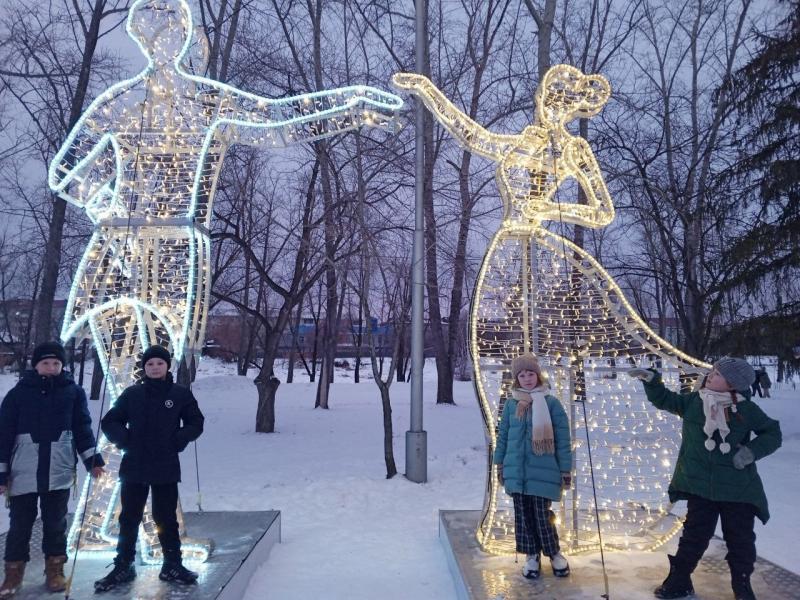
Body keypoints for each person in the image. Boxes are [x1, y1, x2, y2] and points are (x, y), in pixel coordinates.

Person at [629, 357, 782, 600]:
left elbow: (772, 432)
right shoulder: (694, 401)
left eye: (718, 374)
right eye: (713, 371)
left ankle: (742, 585)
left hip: (738, 490)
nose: (711, 375)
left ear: (733, 384)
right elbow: (666, 400)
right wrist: (652, 381)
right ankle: (679, 581)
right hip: (700, 487)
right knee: (694, 535)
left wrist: (750, 452)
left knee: (740, 539)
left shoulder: (746, 409)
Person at [94, 345, 204, 592]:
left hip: (165, 464)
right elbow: (110, 420)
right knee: (129, 517)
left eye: (159, 363)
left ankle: (172, 563)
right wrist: (125, 439)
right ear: (144, 368)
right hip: (134, 464)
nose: (155, 368)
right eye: (150, 364)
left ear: (167, 366)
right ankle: (123, 564)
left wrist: (179, 438)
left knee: (165, 517)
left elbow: (196, 422)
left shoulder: (180, 394)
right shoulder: (133, 394)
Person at [0, 342, 104, 597]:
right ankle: (13, 573)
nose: (51, 367)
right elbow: (3, 434)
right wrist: (1, 473)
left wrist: (92, 459)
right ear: (35, 366)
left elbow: (82, 427)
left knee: (55, 523)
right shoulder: (18, 394)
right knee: (20, 525)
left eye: (56, 363)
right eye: (46, 363)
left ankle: (55, 570)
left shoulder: (73, 392)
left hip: (58, 470)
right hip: (23, 471)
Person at [493, 354, 573, 580]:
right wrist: (499, 464)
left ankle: (554, 553)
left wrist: (565, 470)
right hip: (516, 471)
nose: (527, 378)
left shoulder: (550, 403)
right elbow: (504, 436)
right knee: (523, 516)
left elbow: (563, 439)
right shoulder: (511, 405)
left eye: (530, 374)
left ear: (537, 375)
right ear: (516, 378)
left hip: (544, 471)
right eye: (522, 375)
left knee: (542, 516)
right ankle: (531, 555)